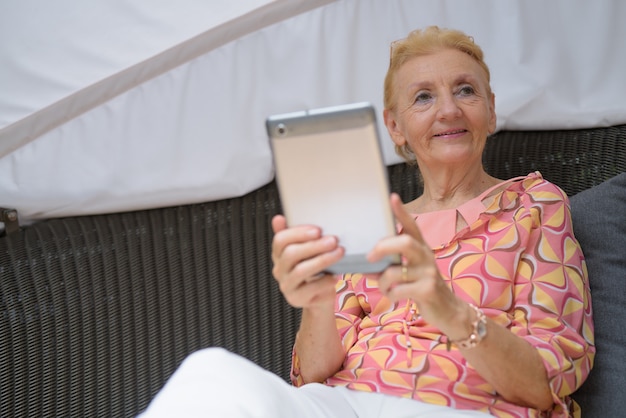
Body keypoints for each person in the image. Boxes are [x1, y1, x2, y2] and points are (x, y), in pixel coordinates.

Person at [139, 26, 594, 418]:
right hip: (346, 403)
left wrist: (447, 308)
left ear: (490, 110)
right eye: (423, 97)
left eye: (465, 90)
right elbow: (310, 375)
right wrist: (317, 302)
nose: (449, 110)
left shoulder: (533, 204)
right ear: (395, 127)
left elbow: (548, 381)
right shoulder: (371, 224)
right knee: (211, 370)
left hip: (461, 406)